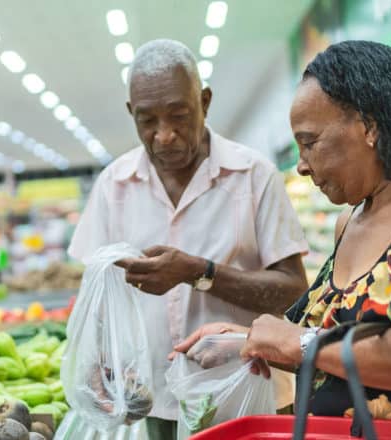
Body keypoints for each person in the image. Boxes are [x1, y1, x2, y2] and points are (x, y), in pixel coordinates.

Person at [174, 40, 391, 424]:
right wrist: (247, 340)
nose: (302, 166)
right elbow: (337, 354)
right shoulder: (350, 221)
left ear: (369, 127)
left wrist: (298, 342)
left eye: (309, 143)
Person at [68, 39, 310, 437]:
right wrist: (95, 361)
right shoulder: (114, 185)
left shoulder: (253, 176)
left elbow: (294, 293)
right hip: (154, 402)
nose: (164, 135)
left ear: (205, 102)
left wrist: (198, 272)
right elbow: (96, 291)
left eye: (179, 116)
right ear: (131, 113)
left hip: (247, 398)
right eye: (147, 121)